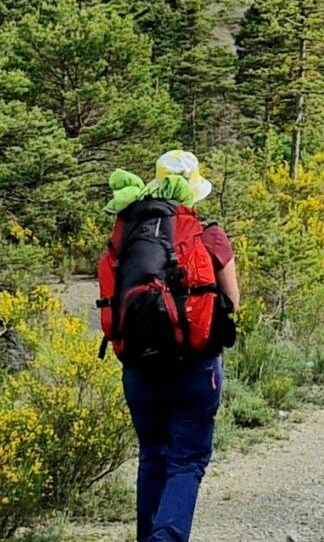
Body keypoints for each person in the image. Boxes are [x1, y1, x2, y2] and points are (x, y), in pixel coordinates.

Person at [101, 150, 240, 542]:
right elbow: (233, 299)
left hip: (138, 367)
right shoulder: (209, 234)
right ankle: (168, 537)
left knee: (152, 457)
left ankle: (150, 536)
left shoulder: (126, 234)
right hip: (194, 365)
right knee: (187, 461)